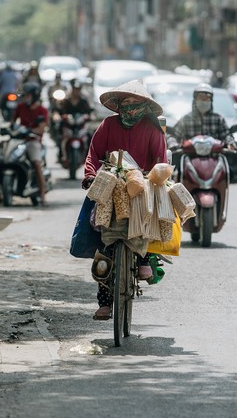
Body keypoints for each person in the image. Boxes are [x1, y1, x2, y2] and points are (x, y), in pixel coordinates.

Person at [82, 79, 167, 321]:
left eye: (135, 103)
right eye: (126, 103)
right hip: (111, 182)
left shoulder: (152, 130)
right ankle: (105, 302)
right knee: (104, 242)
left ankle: (144, 258)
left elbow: (160, 160)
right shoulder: (108, 125)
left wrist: (155, 178)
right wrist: (89, 176)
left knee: (145, 223)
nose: (130, 107)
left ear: (144, 106)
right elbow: (93, 154)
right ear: (119, 105)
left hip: (142, 184)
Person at [0, 82, 50, 206]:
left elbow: (42, 128)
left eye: (28, 96)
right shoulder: (20, 107)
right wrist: (7, 128)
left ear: (34, 95)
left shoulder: (42, 110)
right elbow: (12, 122)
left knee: (36, 163)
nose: (25, 98)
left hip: (32, 141)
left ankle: (42, 193)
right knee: (1, 161)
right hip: (18, 140)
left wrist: (31, 131)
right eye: (25, 96)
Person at [169, 83, 235, 178]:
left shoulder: (218, 119)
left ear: (211, 101)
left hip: (214, 161)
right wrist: (173, 144)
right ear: (195, 100)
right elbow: (174, 135)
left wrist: (230, 143)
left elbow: (227, 135)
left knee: (229, 175)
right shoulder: (186, 119)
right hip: (189, 162)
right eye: (200, 98)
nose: (204, 101)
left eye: (207, 98)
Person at [56, 79, 93, 164]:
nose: (76, 91)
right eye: (74, 89)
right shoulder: (65, 100)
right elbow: (58, 111)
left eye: (78, 89)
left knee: (90, 136)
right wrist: (58, 116)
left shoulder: (84, 100)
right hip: (68, 125)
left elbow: (89, 111)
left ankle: (88, 158)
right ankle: (61, 156)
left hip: (80, 125)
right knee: (60, 136)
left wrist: (90, 116)